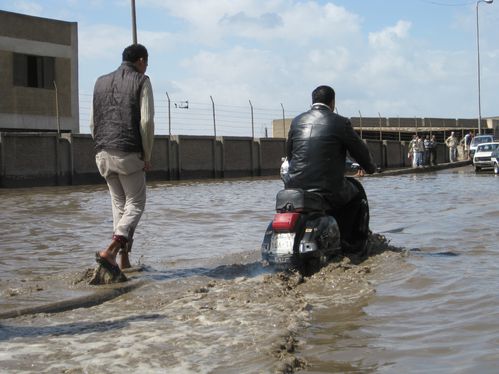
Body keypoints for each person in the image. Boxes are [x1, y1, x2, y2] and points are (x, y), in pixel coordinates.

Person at [90, 43, 155, 276]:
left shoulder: (100, 81)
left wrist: (101, 146)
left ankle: (123, 261)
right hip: (128, 153)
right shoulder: (141, 80)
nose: (146, 67)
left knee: (120, 207)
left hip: (102, 152)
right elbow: (146, 122)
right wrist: (147, 154)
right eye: (146, 62)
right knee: (136, 203)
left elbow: (92, 123)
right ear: (140, 61)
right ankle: (111, 249)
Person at [285, 85, 376, 249]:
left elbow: (290, 155)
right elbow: (360, 152)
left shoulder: (297, 121)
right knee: (357, 192)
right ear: (332, 102)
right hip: (327, 190)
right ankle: (351, 244)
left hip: (294, 189)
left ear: (312, 101)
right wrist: (370, 167)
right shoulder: (340, 122)